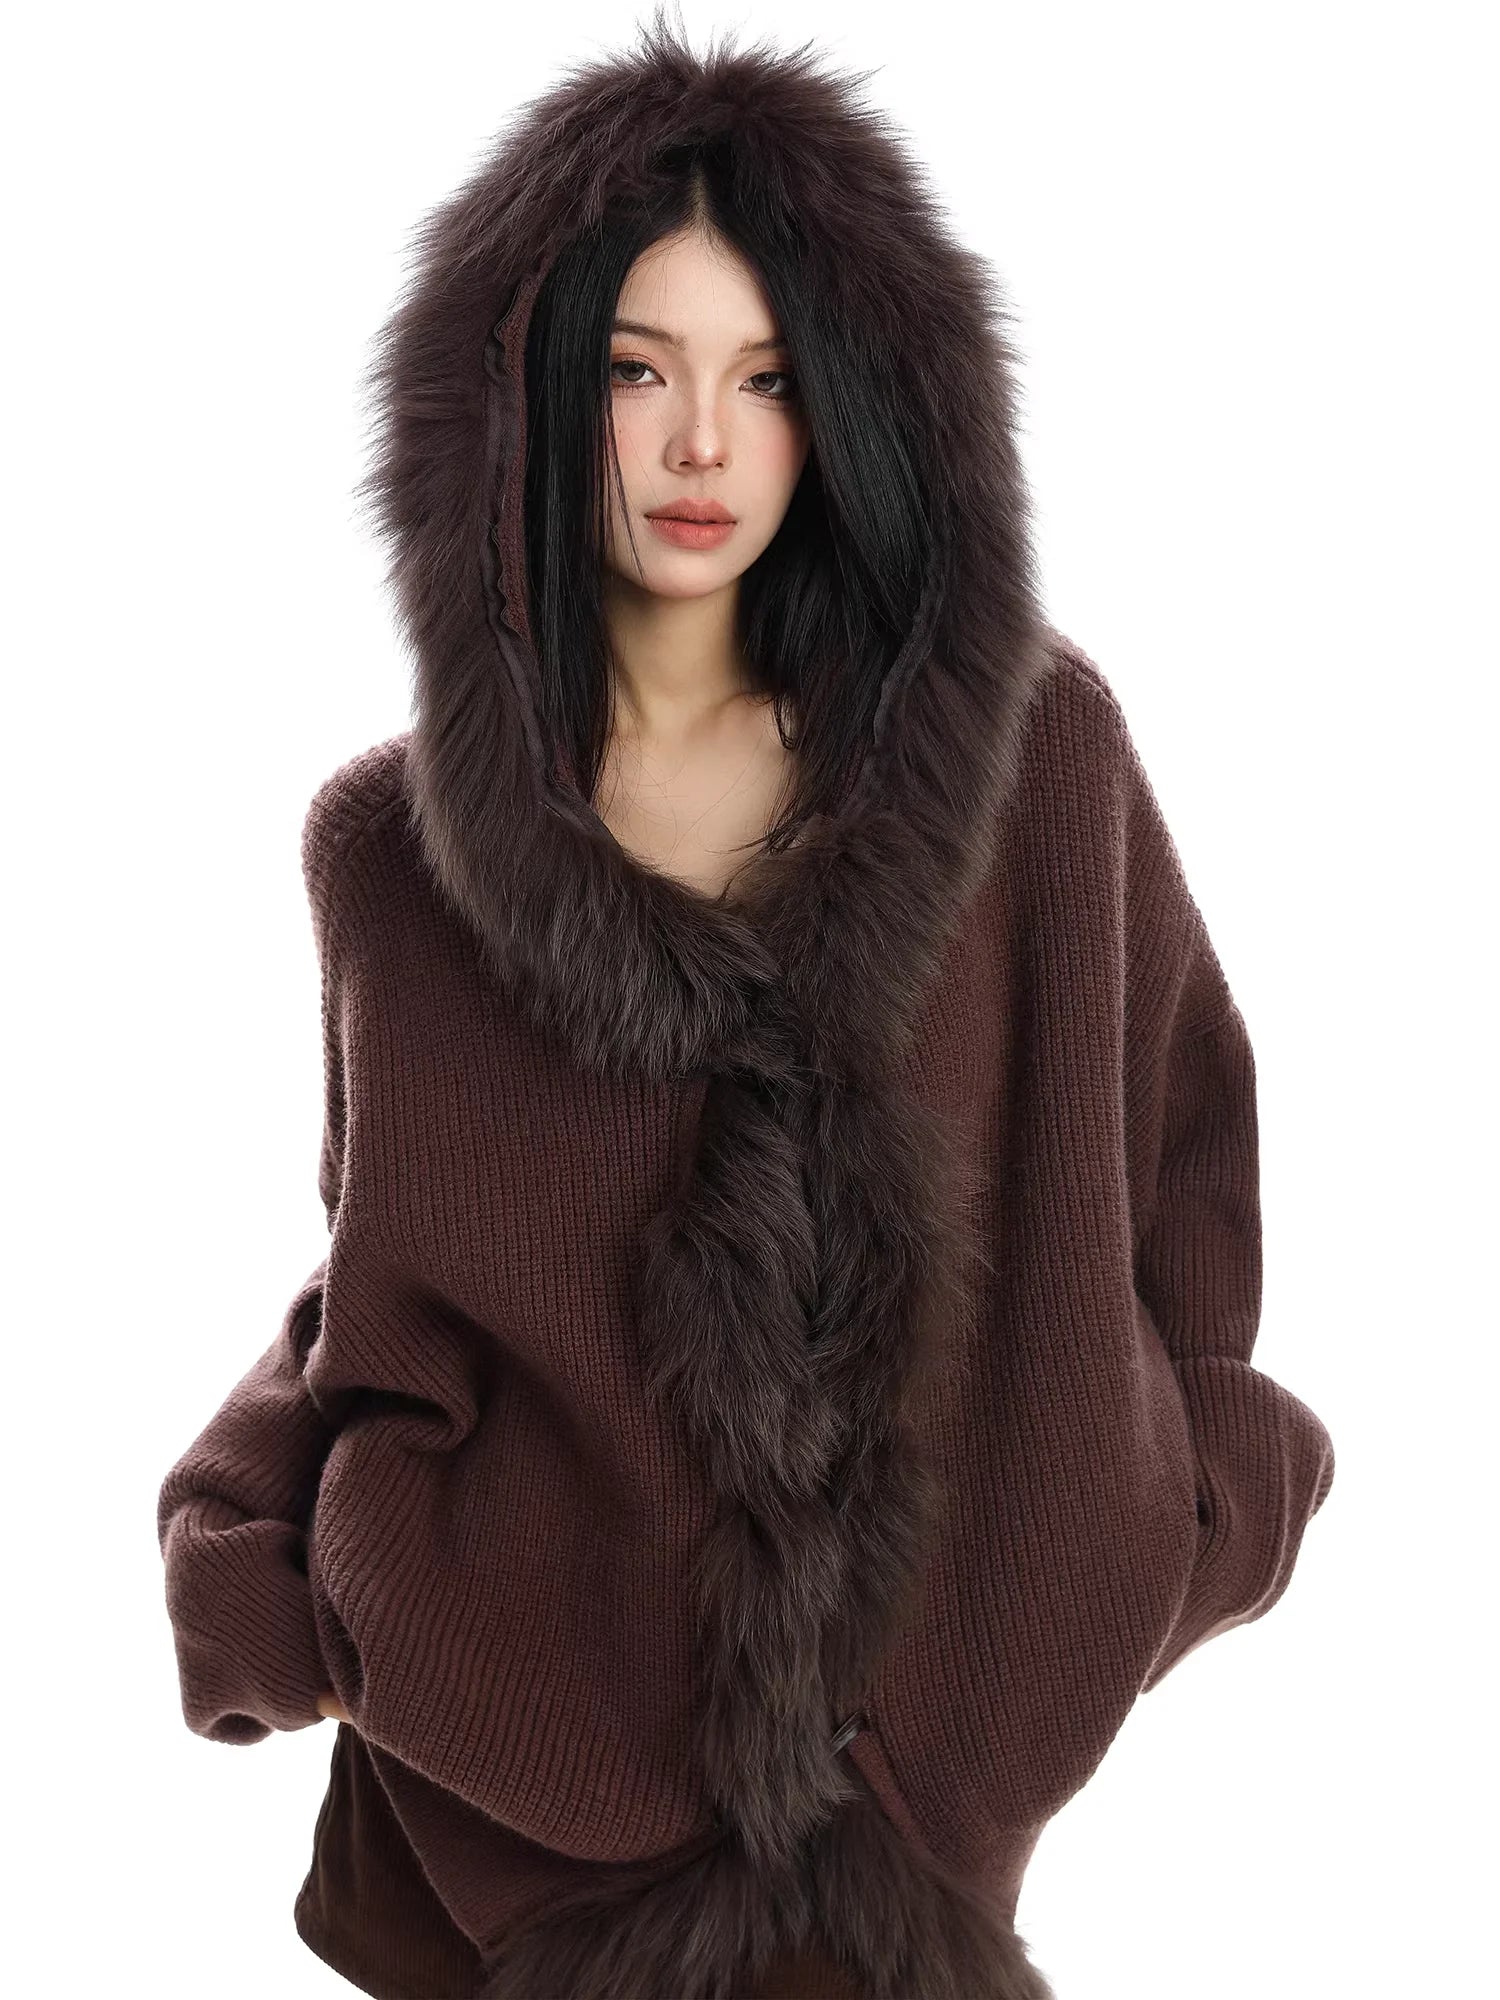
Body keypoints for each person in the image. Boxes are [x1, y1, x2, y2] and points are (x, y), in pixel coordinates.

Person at [154, 13, 1336, 2000]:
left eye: (767, 376)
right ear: (526, 400)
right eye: (639, 369)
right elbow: (384, 1267)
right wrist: (260, 1556)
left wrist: (1182, 1514)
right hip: (483, 1824)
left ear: (856, 407)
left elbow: (1174, 1166)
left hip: (901, 1823)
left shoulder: (1033, 761)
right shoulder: (387, 851)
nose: (703, 442)